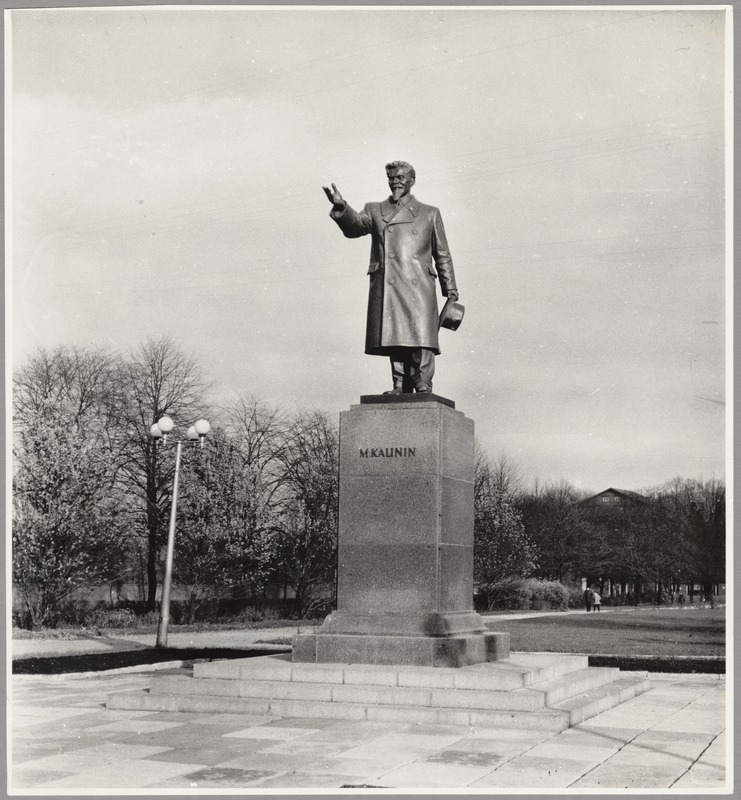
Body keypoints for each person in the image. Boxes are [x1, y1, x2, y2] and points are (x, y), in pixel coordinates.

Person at [323, 161, 459, 394]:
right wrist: (342, 207)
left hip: (419, 284)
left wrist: (451, 289)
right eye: (392, 178)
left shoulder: (429, 213)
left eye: (400, 178)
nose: (395, 181)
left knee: (421, 336)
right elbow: (355, 227)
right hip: (390, 282)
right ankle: (399, 384)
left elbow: (442, 253)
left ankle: (422, 381)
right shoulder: (375, 210)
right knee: (395, 332)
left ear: (411, 181)